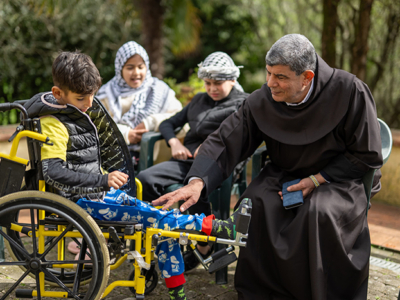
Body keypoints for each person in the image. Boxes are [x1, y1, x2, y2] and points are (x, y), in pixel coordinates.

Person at [152, 34, 383, 300]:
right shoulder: (263, 99)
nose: (270, 83)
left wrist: (317, 179)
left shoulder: (350, 91)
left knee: (319, 213)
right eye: (269, 73)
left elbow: (366, 154)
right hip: (285, 173)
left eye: (281, 77)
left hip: (339, 179)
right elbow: (226, 140)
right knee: (255, 203)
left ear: (307, 77)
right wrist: (197, 183)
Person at [24, 51, 250, 300]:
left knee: (164, 223)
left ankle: (179, 293)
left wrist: (106, 179)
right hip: (80, 203)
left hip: (99, 196)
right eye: (81, 98)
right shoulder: (54, 123)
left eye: (92, 96)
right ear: (58, 93)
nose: (89, 104)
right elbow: (52, 172)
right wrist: (103, 179)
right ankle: (218, 228)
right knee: (159, 219)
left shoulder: (76, 113)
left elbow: (82, 162)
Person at [137, 51, 249, 270]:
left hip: (219, 164)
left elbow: (240, 137)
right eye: (207, 83)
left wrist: (210, 149)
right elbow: (168, 123)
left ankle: (202, 243)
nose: (212, 88)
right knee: (145, 179)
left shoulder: (243, 104)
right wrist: (174, 143)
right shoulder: (199, 100)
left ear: (233, 80)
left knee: (194, 188)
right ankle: (162, 234)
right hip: (185, 160)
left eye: (218, 83)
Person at [96, 41, 183, 161]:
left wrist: (150, 122)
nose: (136, 73)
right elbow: (97, 124)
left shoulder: (159, 89)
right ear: (120, 69)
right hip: (114, 161)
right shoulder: (107, 94)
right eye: (130, 67)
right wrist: (125, 134)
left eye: (141, 67)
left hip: (156, 161)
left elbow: (180, 118)